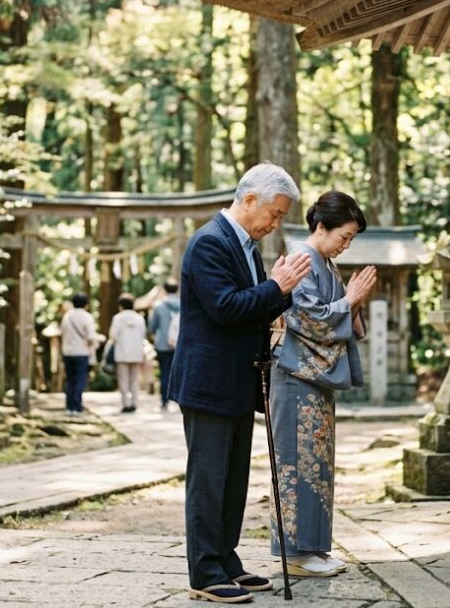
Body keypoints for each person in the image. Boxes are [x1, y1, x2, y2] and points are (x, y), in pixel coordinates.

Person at [168, 163, 312, 604]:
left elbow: (254, 310)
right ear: (249, 199)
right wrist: (277, 286)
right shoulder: (209, 243)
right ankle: (204, 571)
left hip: (237, 379)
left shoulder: (247, 246)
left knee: (233, 480)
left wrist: (278, 292)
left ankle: (226, 560)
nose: (275, 223)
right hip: (208, 381)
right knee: (209, 480)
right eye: (274, 213)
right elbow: (226, 308)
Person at [270, 191, 377, 577]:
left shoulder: (326, 264)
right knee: (297, 463)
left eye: (351, 239)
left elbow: (341, 319)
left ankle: (313, 548)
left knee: (317, 464)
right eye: (344, 236)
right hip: (296, 375)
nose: (346, 245)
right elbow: (309, 319)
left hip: (315, 377)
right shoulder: (301, 259)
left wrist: (354, 300)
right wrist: (350, 299)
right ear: (321, 226)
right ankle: (296, 554)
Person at [60, 293, 103, 415]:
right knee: (80, 380)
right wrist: (99, 339)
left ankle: (69, 407)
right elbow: (90, 336)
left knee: (70, 380)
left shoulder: (67, 316)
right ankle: (77, 406)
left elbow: (62, 333)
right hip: (82, 352)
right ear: (86, 305)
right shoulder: (87, 317)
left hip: (67, 352)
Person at [109, 292, 147, 413]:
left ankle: (125, 404)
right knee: (134, 379)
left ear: (121, 305)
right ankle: (134, 403)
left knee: (123, 380)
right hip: (136, 352)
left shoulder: (118, 318)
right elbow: (143, 335)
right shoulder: (139, 318)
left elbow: (113, 336)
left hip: (122, 353)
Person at [148, 278, 180, 411]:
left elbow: (152, 327)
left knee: (165, 372)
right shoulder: (184, 304)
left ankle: (165, 401)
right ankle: (179, 400)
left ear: (165, 289)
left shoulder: (159, 307)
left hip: (163, 344)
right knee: (179, 372)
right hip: (180, 344)